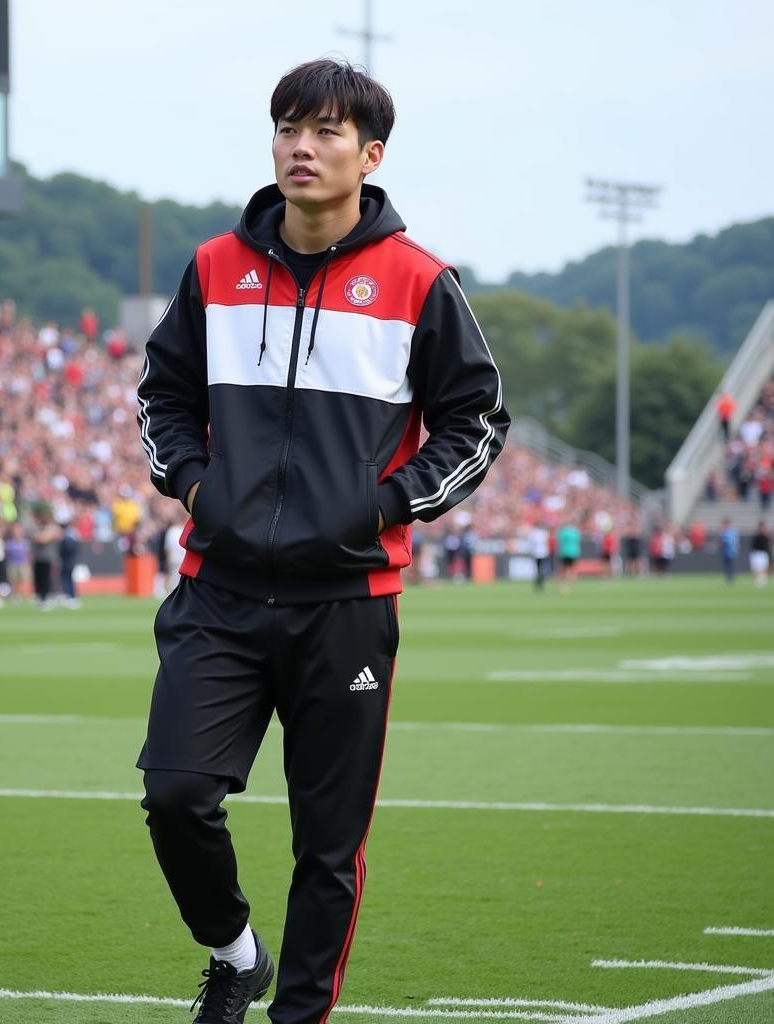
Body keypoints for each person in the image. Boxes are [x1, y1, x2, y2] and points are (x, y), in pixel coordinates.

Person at [135, 59, 508, 1024]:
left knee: (327, 848)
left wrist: (387, 506)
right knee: (176, 794)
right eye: (287, 128)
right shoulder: (216, 266)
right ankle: (234, 953)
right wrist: (192, 483)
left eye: (326, 132)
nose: (301, 146)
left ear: (369, 154)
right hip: (218, 590)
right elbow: (161, 398)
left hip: (346, 606)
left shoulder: (421, 281)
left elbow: (479, 421)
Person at [556, 517, 582, 593]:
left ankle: (563, 584)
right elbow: (577, 541)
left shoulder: (562, 531)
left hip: (564, 552)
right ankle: (569, 585)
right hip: (573, 552)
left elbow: (559, 542)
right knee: (572, 569)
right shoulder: (575, 531)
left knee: (563, 569)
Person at [749, 522, 770, 587]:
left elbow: (767, 547)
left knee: (763, 568)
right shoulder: (756, 536)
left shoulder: (766, 537)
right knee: (757, 568)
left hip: (763, 554)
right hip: (757, 554)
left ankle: (762, 580)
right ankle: (758, 580)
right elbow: (753, 546)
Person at [718, 518, 739, 584]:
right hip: (725, 551)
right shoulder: (723, 532)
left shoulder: (732, 532)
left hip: (731, 551)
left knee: (731, 565)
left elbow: (734, 542)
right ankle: (728, 578)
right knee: (726, 565)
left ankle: (731, 578)